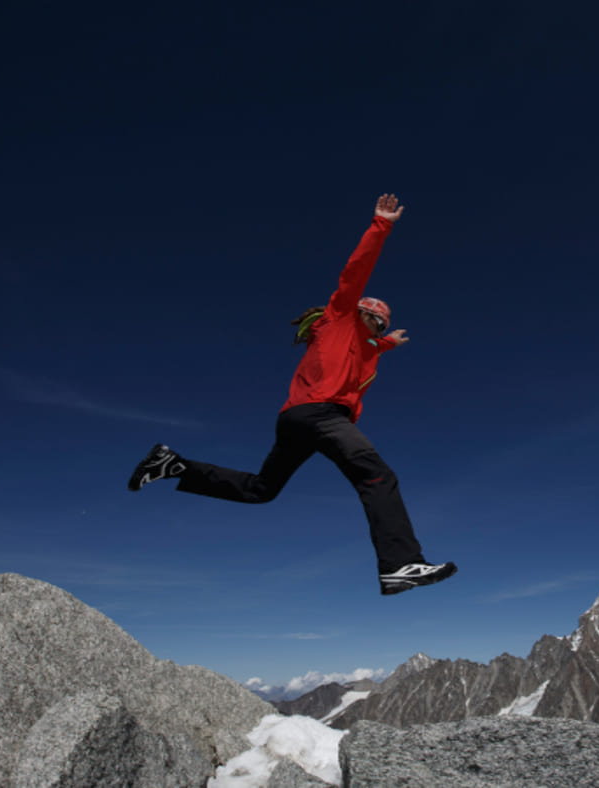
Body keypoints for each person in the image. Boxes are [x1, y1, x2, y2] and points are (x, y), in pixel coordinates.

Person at [127, 193, 456, 596]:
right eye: (378, 322)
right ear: (364, 314)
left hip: (297, 420)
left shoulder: (362, 344)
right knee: (378, 476)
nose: (378, 329)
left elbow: (367, 351)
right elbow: (356, 270)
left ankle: (174, 466)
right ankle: (400, 563)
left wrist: (388, 343)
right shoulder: (340, 316)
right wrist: (381, 224)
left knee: (261, 490)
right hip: (321, 416)